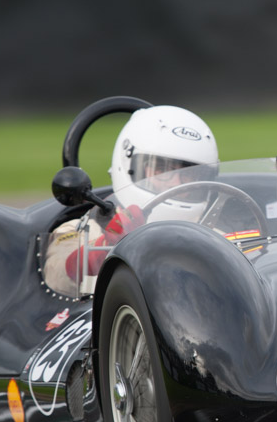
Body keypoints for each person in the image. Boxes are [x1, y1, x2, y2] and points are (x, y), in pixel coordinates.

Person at [43, 105, 219, 296]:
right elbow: (56, 276)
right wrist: (109, 245)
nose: (176, 183)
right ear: (127, 167)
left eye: (189, 174)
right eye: (163, 170)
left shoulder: (213, 235)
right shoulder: (86, 229)